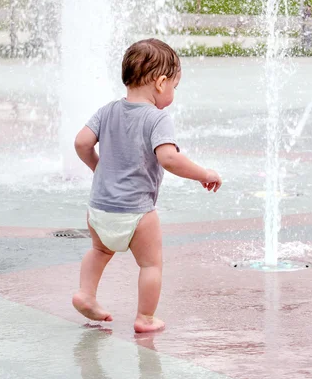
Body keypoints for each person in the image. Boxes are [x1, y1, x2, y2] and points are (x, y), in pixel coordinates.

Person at [72, 38, 222, 333]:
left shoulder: (107, 110)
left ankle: (85, 294)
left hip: (99, 209)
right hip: (137, 212)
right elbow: (168, 158)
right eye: (175, 87)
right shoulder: (157, 119)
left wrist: (98, 168)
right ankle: (145, 317)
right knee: (150, 265)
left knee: (100, 251)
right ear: (161, 82)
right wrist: (204, 173)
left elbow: (81, 142)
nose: (174, 93)